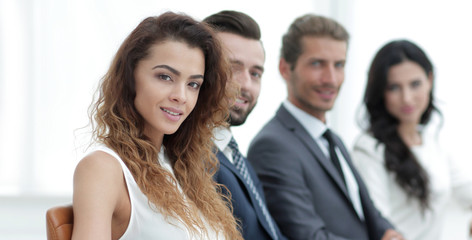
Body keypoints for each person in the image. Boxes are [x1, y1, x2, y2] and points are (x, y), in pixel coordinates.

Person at [71, 12, 242, 240]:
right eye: (165, 77)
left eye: (193, 84)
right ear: (130, 77)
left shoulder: (182, 168)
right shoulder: (103, 169)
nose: (181, 96)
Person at [247, 14, 404, 240]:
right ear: (285, 69)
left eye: (339, 65)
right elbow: (307, 236)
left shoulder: (333, 139)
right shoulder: (272, 146)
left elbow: (365, 211)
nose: (331, 78)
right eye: (317, 64)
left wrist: (387, 232)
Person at [352, 39, 472, 240]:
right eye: (394, 88)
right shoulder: (369, 148)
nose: (407, 98)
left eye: (415, 84)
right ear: (381, 92)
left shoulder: (431, 143)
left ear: (429, 81)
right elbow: (379, 227)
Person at [202, 10, 286, 240]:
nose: (246, 85)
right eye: (233, 68)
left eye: (255, 73)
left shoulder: (237, 158)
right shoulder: (191, 157)